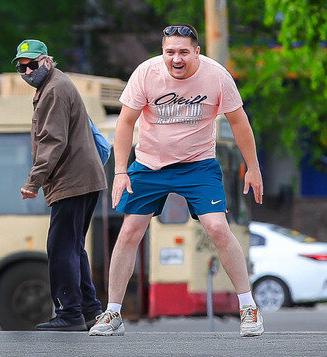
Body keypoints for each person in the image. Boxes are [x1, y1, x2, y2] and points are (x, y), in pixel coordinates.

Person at [89, 24, 264, 337]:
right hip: (150, 164)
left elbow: (240, 123)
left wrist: (253, 167)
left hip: (198, 166)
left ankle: (248, 307)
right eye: (170, 52)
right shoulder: (146, 74)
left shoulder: (216, 76)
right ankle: (112, 313)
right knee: (129, 231)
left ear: (196, 52)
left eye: (183, 52)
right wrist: (119, 172)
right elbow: (125, 123)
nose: (176, 59)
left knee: (217, 227)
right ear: (162, 53)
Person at [12, 39, 107, 331]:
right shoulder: (55, 84)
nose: (27, 70)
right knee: (73, 246)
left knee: (60, 247)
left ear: (48, 60)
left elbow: (53, 141)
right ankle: (90, 311)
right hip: (83, 178)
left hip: (72, 179)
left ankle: (69, 313)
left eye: (32, 64)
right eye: (21, 66)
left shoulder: (53, 89)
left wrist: (33, 181)